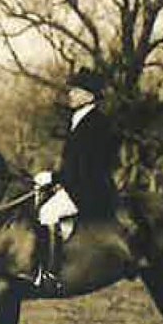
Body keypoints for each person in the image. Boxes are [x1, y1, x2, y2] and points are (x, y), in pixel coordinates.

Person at [31, 67, 121, 294]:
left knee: (47, 213)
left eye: (76, 90)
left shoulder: (97, 123)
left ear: (89, 96)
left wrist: (54, 177)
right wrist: (55, 178)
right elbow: (74, 163)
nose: (70, 94)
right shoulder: (78, 119)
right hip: (77, 184)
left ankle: (51, 274)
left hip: (91, 189)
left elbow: (88, 166)